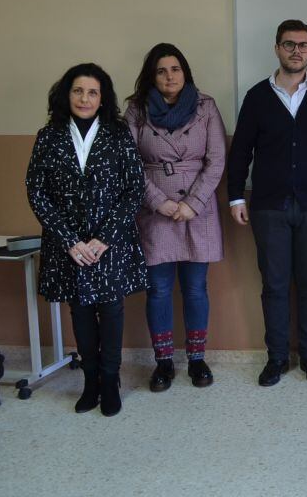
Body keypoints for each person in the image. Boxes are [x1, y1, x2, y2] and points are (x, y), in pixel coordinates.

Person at [25, 63, 146, 416]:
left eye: (92, 92)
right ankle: (90, 381)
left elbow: (134, 189)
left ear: (102, 97)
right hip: (70, 245)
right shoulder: (48, 136)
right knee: (79, 310)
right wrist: (70, 241)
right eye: (78, 90)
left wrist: (104, 238)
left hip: (109, 242)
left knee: (110, 309)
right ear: (66, 94)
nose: (84, 98)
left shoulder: (118, 134)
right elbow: (37, 191)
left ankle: (110, 380)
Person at [227, 20, 307, 386]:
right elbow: (240, 151)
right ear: (277, 49)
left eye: (303, 45)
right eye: (290, 44)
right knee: (273, 285)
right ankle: (276, 358)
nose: (297, 51)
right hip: (269, 206)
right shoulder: (257, 96)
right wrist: (236, 196)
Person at [125, 44, 226, 392]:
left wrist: (192, 203)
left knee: (196, 288)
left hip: (199, 210)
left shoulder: (205, 106)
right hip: (155, 211)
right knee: (158, 289)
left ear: (185, 72)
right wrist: (159, 203)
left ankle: (197, 360)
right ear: (151, 76)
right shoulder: (136, 110)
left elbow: (216, 160)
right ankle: (164, 362)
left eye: (175, 69)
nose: (170, 76)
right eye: (161, 71)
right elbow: (128, 164)